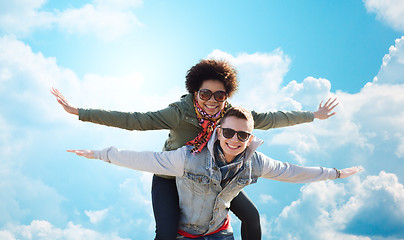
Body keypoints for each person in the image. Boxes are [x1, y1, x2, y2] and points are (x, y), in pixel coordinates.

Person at [52, 59, 338, 240]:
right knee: (166, 233)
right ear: (194, 93)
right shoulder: (179, 112)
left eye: (219, 95)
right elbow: (134, 120)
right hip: (172, 174)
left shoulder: (232, 115)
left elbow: (271, 119)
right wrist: (78, 111)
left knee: (251, 216)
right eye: (205, 94)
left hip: (211, 176)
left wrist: (313, 115)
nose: (212, 101)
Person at [68, 106, 361, 240]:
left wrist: (334, 173)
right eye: (229, 133)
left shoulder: (254, 161)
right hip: (185, 233)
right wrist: (100, 153)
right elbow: (145, 158)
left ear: (249, 137)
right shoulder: (188, 157)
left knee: (252, 215)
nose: (235, 139)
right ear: (218, 131)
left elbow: (292, 171)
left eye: (242, 136)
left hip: (220, 234)